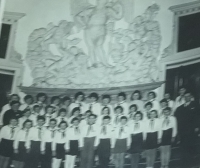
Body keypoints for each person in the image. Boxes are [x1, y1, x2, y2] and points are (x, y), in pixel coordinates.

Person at [174, 92, 199, 168]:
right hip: (182, 131)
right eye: (185, 96)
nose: (187, 98)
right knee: (183, 147)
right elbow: (176, 118)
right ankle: (183, 163)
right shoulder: (180, 108)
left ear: (191, 97)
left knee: (190, 147)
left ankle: (190, 163)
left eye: (188, 96)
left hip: (191, 130)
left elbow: (198, 117)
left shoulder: (196, 106)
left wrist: (197, 127)